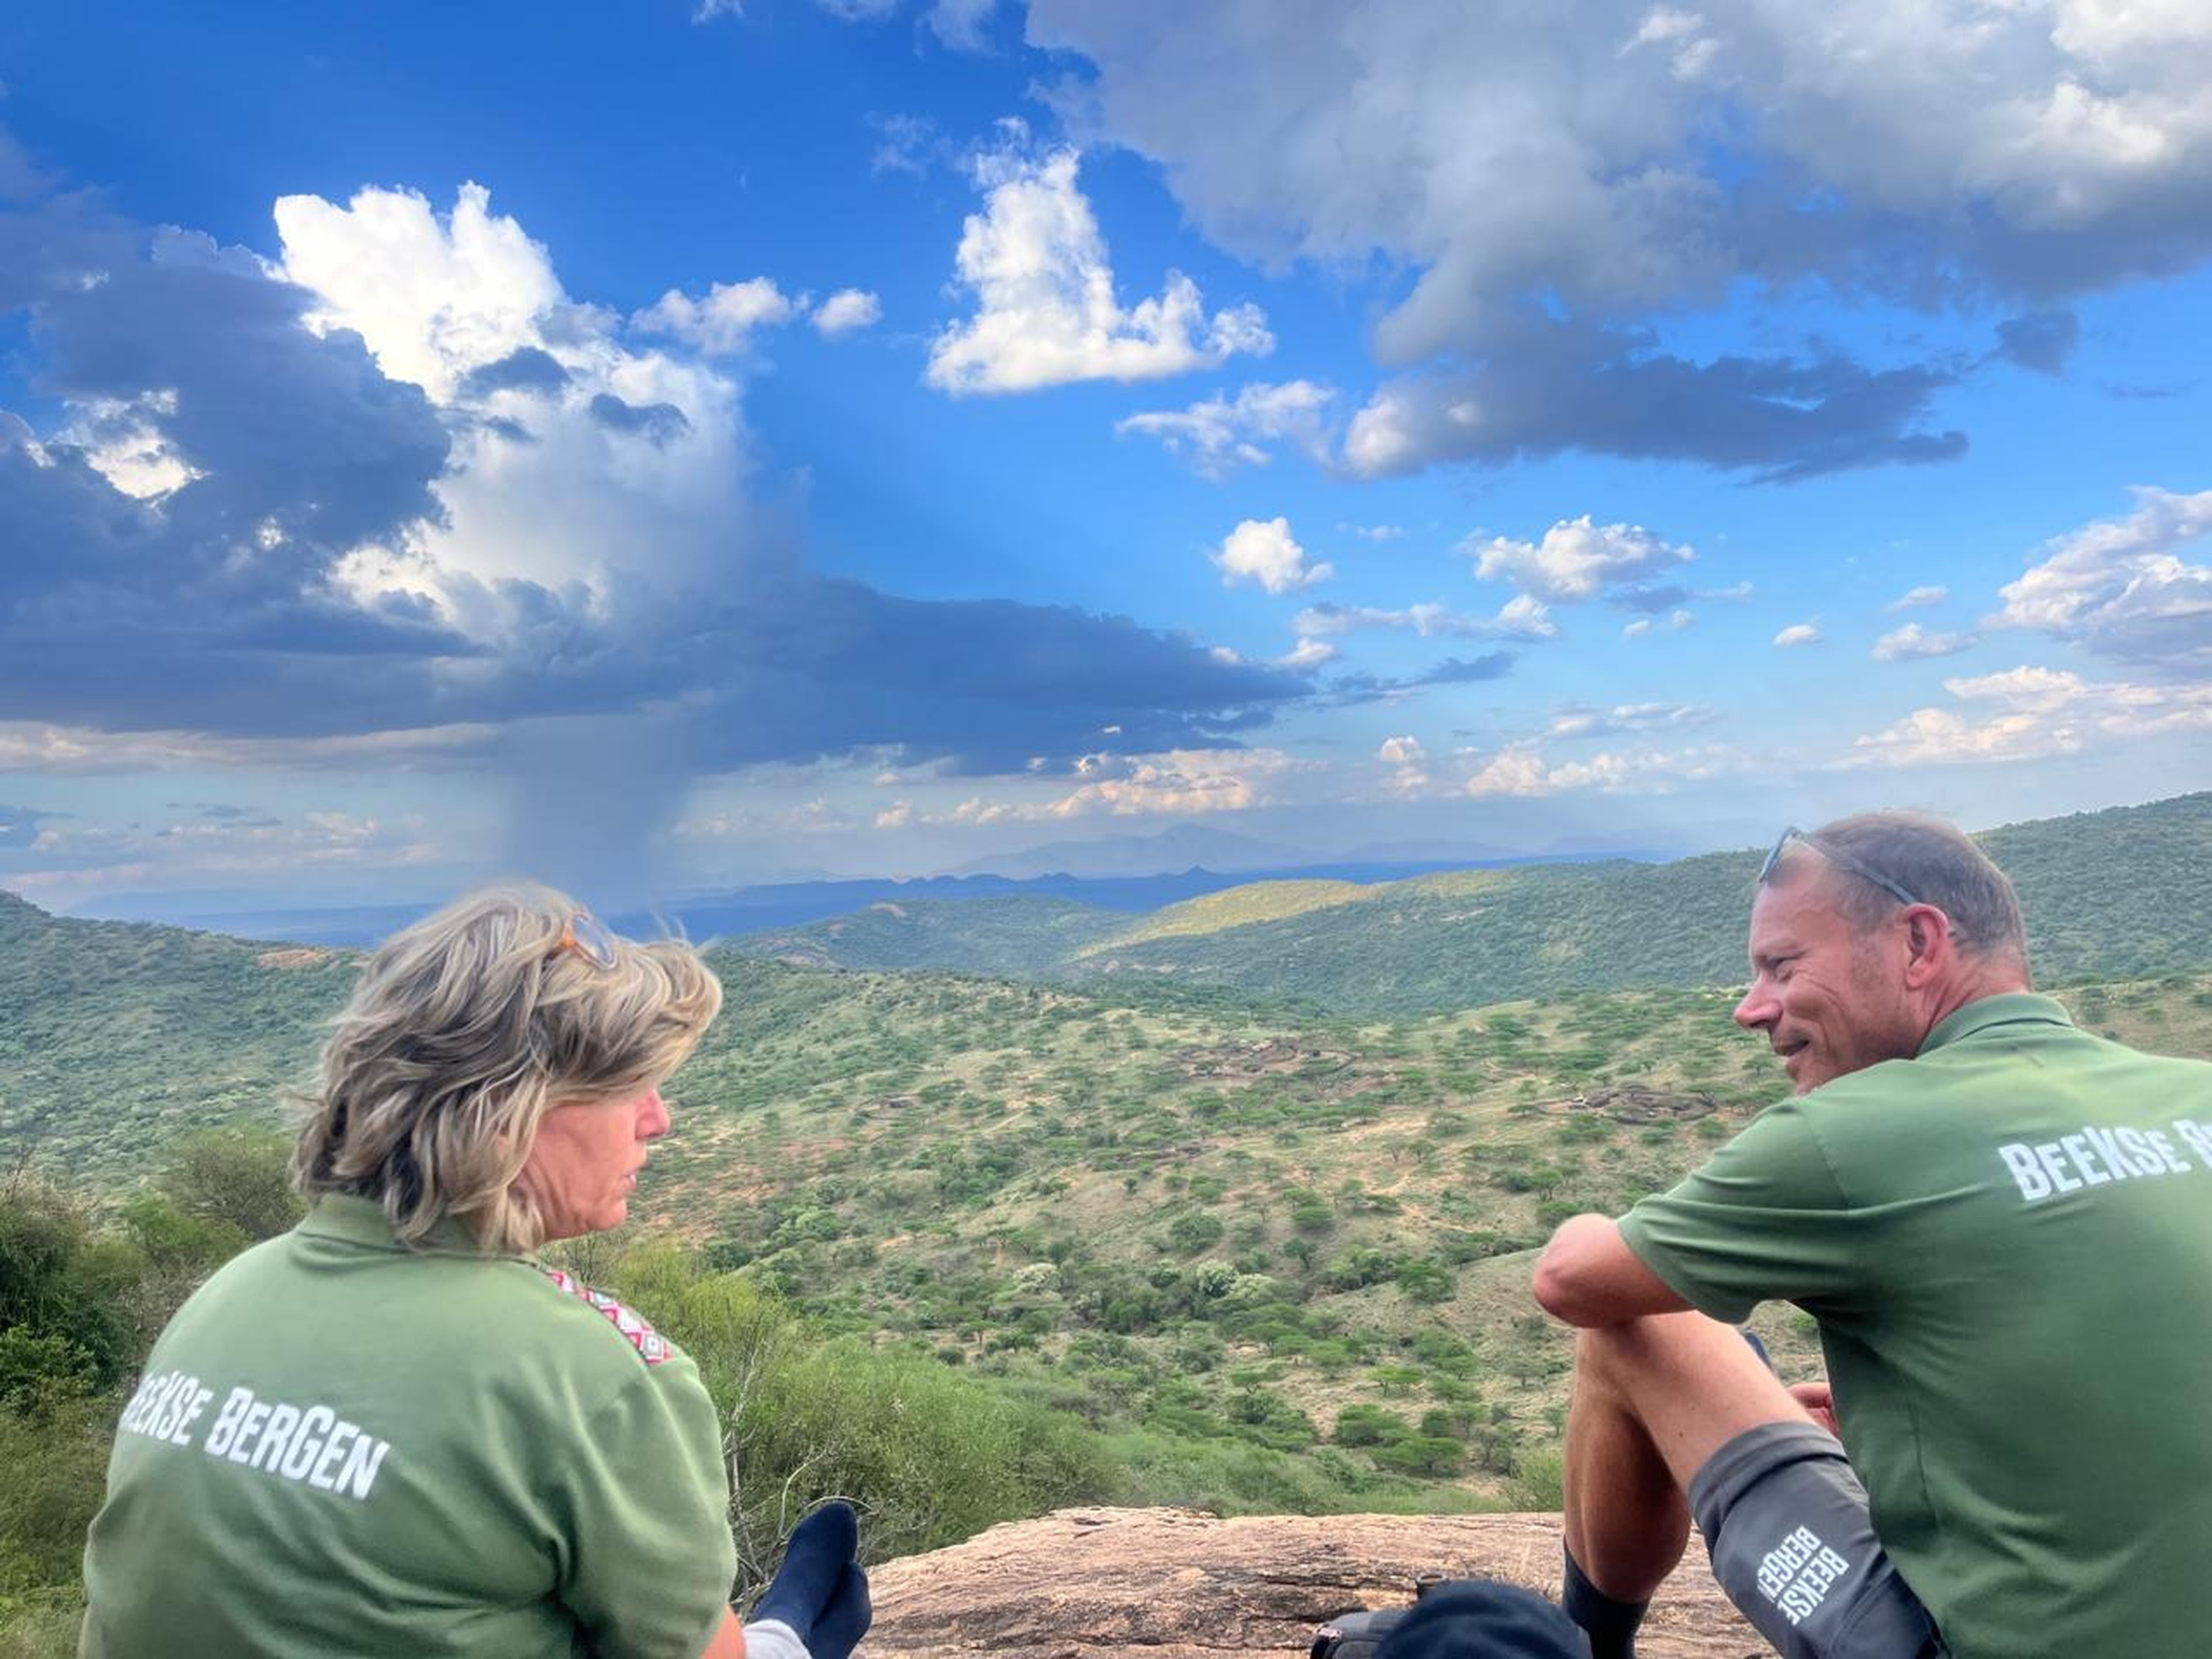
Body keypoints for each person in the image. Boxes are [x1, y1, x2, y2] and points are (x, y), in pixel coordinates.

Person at [81, 884, 872, 1659]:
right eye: (629, 1086)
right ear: (506, 1109)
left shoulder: (223, 1301)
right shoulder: (591, 1377)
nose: (658, 1119)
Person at [1531, 812, 2212, 1659]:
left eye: (1782, 966)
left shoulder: (1850, 1134)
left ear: (1919, 945)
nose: (1751, 1010)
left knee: (1638, 1328)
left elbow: (1571, 1281)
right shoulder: (2194, 1090)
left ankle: (1581, 1649)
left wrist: (1591, 1223)